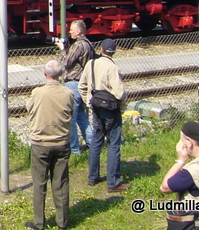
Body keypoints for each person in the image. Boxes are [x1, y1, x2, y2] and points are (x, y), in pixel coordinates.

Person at [25, 59, 74, 230]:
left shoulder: (37, 93)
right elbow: (71, 111)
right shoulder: (68, 93)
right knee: (60, 183)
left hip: (41, 143)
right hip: (61, 142)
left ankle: (39, 223)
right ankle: (62, 222)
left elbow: (29, 109)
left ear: (45, 74)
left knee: (39, 184)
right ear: (61, 74)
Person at [79, 38, 129, 191]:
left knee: (96, 140)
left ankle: (92, 177)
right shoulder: (112, 68)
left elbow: (82, 85)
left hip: (95, 106)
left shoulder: (91, 64)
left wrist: (88, 100)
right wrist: (123, 101)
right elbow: (119, 93)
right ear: (113, 52)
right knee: (114, 143)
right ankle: (113, 182)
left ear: (101, 49)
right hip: (111, 110)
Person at [56, 19, 94, 155]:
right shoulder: (88, 44)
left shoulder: (78, 45)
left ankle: (74, 149)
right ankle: (93, 144)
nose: (69, 31)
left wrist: (62, 50)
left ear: (78, 31)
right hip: (83, 83)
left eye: (71, 29)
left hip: (73, 83)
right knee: (82, 117)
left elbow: (66, 63)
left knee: (71, 118)